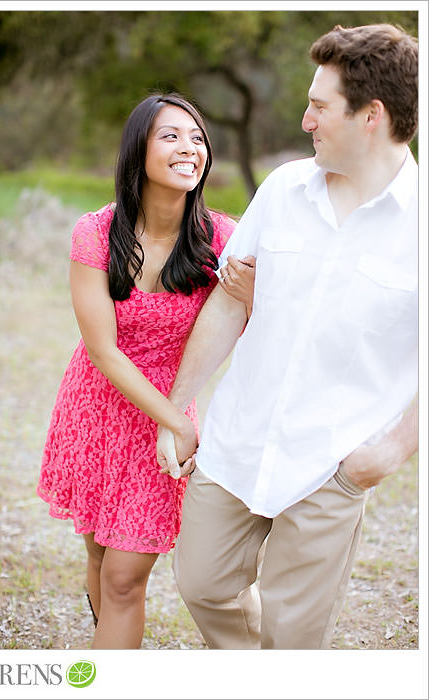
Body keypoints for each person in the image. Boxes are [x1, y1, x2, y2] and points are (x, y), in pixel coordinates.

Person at [156, 23, 418, 649]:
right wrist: (177, 409)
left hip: (329, 464)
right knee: (201, 583)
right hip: (237, 439)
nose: (305, 121)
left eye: (319, 107)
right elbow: (228, 300)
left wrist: (386, 454)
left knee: (294, 637)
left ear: (371, 116)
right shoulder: (282, 190)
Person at [37, 93, 255, 649]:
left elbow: (256, 322)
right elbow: (104, 351)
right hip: (95, 406)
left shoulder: (221, 240)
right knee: (96, 554)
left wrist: (177, 421)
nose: (189, 148)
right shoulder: (96, 232)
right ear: (139, 150)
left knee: (124, 577)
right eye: (171, 135)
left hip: (161, 419)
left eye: (197, 138)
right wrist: (178, 422)